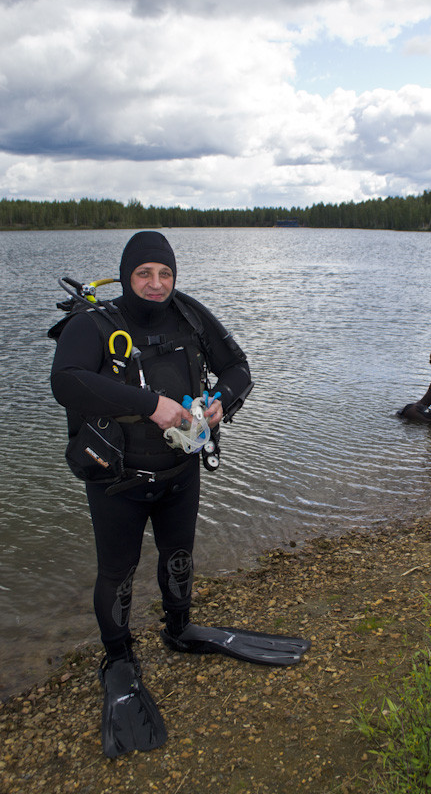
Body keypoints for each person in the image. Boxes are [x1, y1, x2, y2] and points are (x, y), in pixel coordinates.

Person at [49, 231, 308, 758]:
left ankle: (179, 627)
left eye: (165, 274)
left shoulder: (188, 315)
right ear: (126, 275)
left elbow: (240, 369)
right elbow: (66, 382)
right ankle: (118, 658)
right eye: (144, 273)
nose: (156, 284)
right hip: (116, 480)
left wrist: (220, 404)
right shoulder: (92, 324)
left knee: (179, 555)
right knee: (117, 572)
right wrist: (150, 405)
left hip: (179, 472)